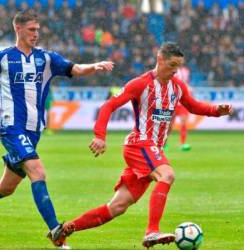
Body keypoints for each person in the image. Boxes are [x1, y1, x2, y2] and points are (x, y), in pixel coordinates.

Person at [0, 10, 114, 249]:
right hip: (12, 128)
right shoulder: (3, 57)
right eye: (32, 30)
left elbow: (75, 69)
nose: (37, 34)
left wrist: (94, 66)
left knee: (5, 188)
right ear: (18, 29)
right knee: (37, 170)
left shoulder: (45, 58)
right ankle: (56, 230)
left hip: (34, 131)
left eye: (38, 30)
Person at [49, 42, 233, 248]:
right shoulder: (140, 84)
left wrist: (217, 110)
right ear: (160, 59)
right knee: (167, 175)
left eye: (178, 66)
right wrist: (100, 135)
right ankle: (151, 231)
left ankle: (63, 230)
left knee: (117, 206)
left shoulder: (178, 86)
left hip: (151, 150)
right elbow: (109, 105)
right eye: (172, 65)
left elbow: (194, 106)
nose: (175, 71)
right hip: (139, 143)